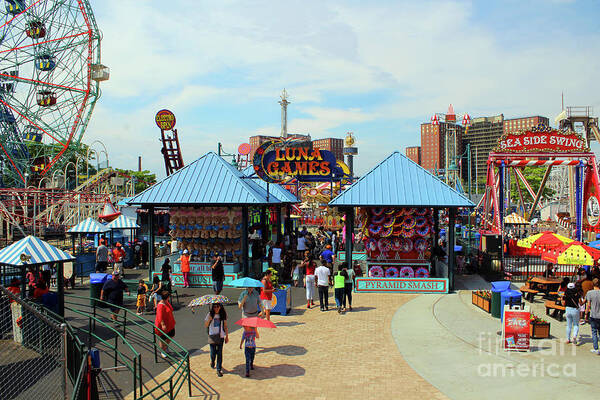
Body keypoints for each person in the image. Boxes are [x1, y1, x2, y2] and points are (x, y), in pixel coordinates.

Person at [205, 303, 229, 377]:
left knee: (219, 353)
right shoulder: (210, 314)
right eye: (214, 307)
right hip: (212, 335)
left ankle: (218, 369)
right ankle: (212, 361)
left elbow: (225, 326)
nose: (216, 308)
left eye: (217, 306)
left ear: (220, 307)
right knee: (213, 353)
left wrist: (227, 336)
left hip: (220, 335)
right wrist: (209, 320)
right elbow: (206, 325)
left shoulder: (223, 314)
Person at [155, 290, 175, 358]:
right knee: (163, 338)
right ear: (168, 297)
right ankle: (163, 350)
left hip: (169, 323)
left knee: (171, 335)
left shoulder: (166, 302)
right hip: (163, 325)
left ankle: (165, 347)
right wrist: (163, 324)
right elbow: (160, 316)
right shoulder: (160, 305)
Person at [585, 278, 600, 354]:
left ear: (592, 284)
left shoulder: (589, 293)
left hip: (593, 315)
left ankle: (596, 348)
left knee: (594, 332)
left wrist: (585, 314)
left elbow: (588, 305)